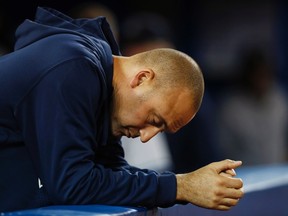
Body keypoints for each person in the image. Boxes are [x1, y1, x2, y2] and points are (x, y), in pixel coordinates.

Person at [0, 7, 244, 212]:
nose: (147, 136)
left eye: (160, 130)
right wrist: (181, 186)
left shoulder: (102, 84)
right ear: (141, 79)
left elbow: (111, 170)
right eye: (154, 119)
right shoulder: (74, 67)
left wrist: (180, 186)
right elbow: (73, 184)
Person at [218, 48, 288, 165]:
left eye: (265, 74)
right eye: (257, 75)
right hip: (247, 176)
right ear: (248, 76)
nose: (262, 80)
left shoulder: (279, 98)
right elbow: (223, 149)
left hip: (278, 172)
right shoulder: (232, 108)